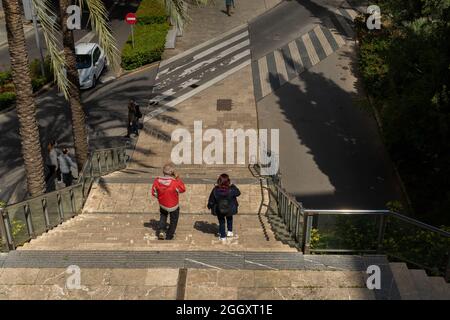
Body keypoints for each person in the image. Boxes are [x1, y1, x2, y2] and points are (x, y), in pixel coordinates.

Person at [151, 164, 186, 240]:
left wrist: (160, 197)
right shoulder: (175, 182)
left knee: (163, 217)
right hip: (173, 205)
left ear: (163, 172)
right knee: (173, 220)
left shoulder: (157, 181)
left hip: (163, 204)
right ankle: (169, 235)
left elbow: (153, 192)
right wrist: (177, 178)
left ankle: (161, 231)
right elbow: (183, 189)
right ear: (172, 172)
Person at [207, 174, 241, 241]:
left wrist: (209, 206)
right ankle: (229, 232)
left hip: (219, 209)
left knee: (221, 221)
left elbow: (211, 199)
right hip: (230, 208)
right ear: (228, 181)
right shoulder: (231, 189)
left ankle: (222, 236)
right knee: (229, 218)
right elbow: (238, 193)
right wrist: (233, 185)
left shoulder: (215, 190)